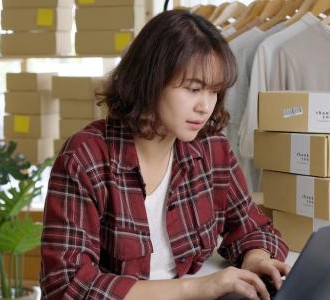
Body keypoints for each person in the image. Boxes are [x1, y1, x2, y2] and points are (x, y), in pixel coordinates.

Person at [40, 9, 290, 300]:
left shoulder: (211, 150)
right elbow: (68, 285)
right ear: (151, 80)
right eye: (194, 89)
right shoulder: (85, 157)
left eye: (214, 92)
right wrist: (198, 288)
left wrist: (256, 259)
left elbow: (251, 227)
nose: (205, 106)